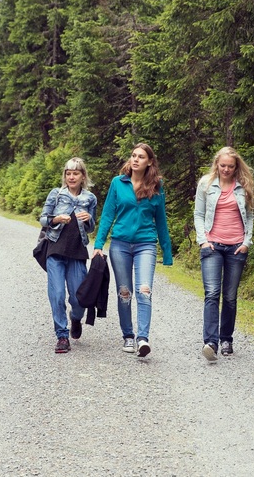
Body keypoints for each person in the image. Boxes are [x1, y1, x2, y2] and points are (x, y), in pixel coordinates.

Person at [93, 143, 173, 357]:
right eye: (133, 155)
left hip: (146, 244)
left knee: (144, 291)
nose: (135, 159)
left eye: (141, 157)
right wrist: (99, 245)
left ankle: (143, 338)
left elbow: (161, 220)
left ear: (149, 162)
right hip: (119, 244)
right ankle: (128, 335)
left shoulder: (157, 186)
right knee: (124, 293)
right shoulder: (118, 183)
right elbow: (108, 214)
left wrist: (167, 251)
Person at [193, 146, 254, 361]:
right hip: (212, 245)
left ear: (236, 166)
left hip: (236, 247)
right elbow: (199, 214)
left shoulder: (244, 186)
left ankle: (226, 339)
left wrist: (247, 242)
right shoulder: (205, 184)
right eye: (223, 166)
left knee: (229, 296)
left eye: (230, 166)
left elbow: (249, 217)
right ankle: (210, 342)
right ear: (216, 164)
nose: (226, 170)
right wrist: (203, 241)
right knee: (212, 293)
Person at [38, 157, 97, 353]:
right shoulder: (56, 194)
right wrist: (56, 219)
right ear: (65, 176)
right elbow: (43, 219)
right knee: (57, 295)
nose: (71, 177)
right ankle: (62, 336)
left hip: (77, 252)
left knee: (79, 299)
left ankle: (75, 318)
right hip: (54, 250)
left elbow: (91, 227)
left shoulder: (90, 198)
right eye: (68, 173)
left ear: (83, 176)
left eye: (75, 173)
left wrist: (88, 219)